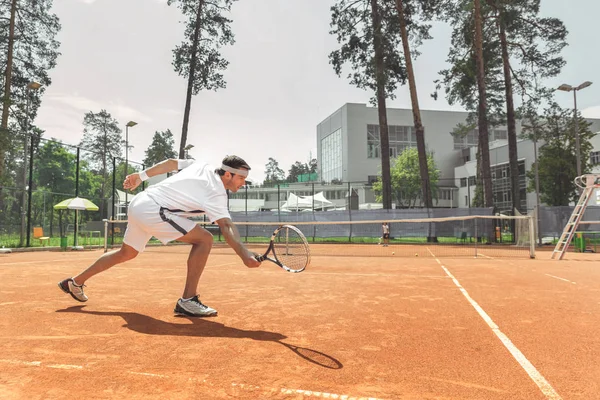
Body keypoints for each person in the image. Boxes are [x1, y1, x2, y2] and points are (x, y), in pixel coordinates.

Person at [58, 155, 261, 317]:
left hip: (140, 202)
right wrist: (244, 254)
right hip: (154, 209)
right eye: (241, 178)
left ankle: (74, 282)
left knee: (126, 253)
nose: (243, 183)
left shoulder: (201, 165)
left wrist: (141, 176)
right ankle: (188, 300)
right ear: (227, 174)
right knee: (205, 239)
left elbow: (171, 163)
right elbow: (225, 224)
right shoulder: (216, 191)